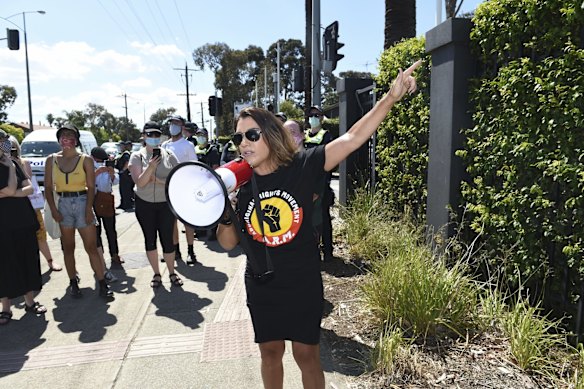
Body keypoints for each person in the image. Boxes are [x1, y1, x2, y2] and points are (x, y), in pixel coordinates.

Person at [216, 60, 420, 389]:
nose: (243, 142)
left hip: (301, 281)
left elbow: (353, 138)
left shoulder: (303, 166)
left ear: (269, 135)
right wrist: (225, 209)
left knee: (306, 354)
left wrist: (390, 98)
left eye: (251, 134)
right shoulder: (239, 183)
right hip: (261, 283)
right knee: (269, 353)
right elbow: (227, 243)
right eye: (238, 136)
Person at [44, 123, 113, 299]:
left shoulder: (85, 160)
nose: (66, 138)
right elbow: (47, 187)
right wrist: (53, 209)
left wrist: (89, 209)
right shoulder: (51, 160)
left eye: (70, 135)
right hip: (63, 204)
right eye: (63, 135)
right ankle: (73, 281)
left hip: (82, 202)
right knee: (68, 247)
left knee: (91, 246)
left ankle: (102, 283)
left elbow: (91, 187)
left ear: (76, 140)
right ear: (59, 139)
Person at [0, 130, 47, 325]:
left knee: (27, 260)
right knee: (4, 265)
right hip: (2, 225)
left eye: (3, 141)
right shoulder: (11, 164)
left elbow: (29, 187)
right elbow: (10, 188)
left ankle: (30, 301)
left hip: (23, 221)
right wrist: (11, 169)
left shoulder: (13, 162)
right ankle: (5, 308)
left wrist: (14, 191)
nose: (3, 145)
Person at [129, 121, 184, 287]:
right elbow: (140, 183)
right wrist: (151, 167)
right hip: (144, 204)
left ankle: (172, 273)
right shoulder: (136, 156)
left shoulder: (169, 155)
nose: (153, 138)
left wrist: (159, 181)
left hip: (165, 204)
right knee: (150, 239)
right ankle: (156, 274)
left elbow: (179, 178)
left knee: (168, 240)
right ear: (144, 136)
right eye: (150, 135)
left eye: (157, 135)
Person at [10, 136, 63, 272]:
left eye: (12, 147)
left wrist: (14, 164)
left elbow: (27, 181)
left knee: (40, 234)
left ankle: (50, 261)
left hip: (28, 206)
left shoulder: (23, 162)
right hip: (9, 209)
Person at [161, 115, 199, 264]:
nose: (173, 126)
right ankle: (175, 251)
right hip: (169, 188)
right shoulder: (164, 145)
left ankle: (191, 251)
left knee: (187, 222)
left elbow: (194, 166)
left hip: (185, 187)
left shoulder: (187, 145)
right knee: (171, 223)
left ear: (182, 126)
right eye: (171, 123)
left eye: (177, 123)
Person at [304, 106, 334, 262]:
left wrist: (320, 188)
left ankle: (328, 251)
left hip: (321, 185)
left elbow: (329, 161)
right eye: (311, 115)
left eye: (316, 115)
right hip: (305, 185)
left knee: (323, 219)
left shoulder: (326, 135)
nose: (313, 118)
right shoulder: (304, 137)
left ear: (322, 118)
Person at [91, 146, 122, 281]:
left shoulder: (108, 166)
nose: (101, 162)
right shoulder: (89, 166)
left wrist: (111, 173)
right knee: (96, 231)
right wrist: (96, 173)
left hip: (107, 199)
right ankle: (100, 257)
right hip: (94, 200)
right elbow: (86, 182)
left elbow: (116, 181)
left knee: (111, 229)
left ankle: (114, 254)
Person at [116, 140, 134, 211]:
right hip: (122, 175)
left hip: (126, 175)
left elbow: (127, 163)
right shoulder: (121, 154)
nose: (120, 147)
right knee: (122, 190)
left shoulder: (126, 154)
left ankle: (127, 205)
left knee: (126, 190)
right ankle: (123, 204)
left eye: (121, 146)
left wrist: (123, 170)